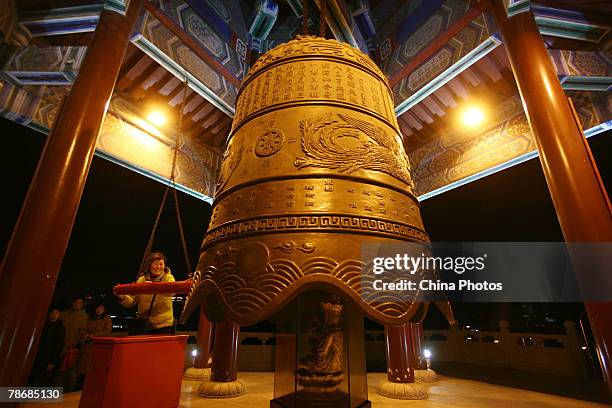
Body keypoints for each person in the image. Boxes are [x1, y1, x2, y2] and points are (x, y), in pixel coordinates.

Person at [117, 252, 176, 334]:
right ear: (149, 265)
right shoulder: (141, 280)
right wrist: (122, 297)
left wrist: (153, 287)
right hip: (144, 325)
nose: (158, 267)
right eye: (156, 264)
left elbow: (172, 292)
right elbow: (133, 301)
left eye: (161, 264)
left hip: (163, 325)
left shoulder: (168, 277)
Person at [57, 296, 88, 391]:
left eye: (79, 302)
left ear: (82, 305)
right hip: (59, 345)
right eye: (75, 302)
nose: (76, 304)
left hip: (72, 348)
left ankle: (66, 390)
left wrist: (74, 342)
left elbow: (82, 332)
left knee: (69, 370)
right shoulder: (63, 314)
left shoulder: (84, 317)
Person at [29, 307, 65, 386]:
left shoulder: (60, 328)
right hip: (37, 355)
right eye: (52, 313)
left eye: (56, 313)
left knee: (41, 379)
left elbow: (58, 345)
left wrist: (52, 361)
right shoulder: (43, 324)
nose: (54, 315)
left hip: (47, 357)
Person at [77, 302, 112, 384]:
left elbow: (107, 331)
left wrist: (93, 335)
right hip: (87, 344)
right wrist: (85, 335)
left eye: (101, 308)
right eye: (97, 308)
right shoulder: (90, 318)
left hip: (98, 345)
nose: (98, 310)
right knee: (83, 366)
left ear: (104, 310)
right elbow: (85, 328)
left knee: (94, 365)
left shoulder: (106, 319)